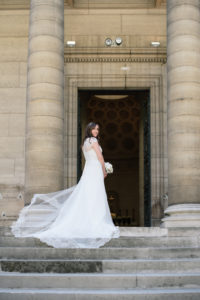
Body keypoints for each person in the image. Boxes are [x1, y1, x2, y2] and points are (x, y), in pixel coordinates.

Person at [11, 122, 120, 248]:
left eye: (97, 129)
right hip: (95, 169)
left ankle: (88, 220)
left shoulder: (85, 143)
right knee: (95, 195)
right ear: (89, 130)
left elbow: (90, 157)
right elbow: (100, 156)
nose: (96, 131)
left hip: (89, 169)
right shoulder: (93, 140)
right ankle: (95, 221)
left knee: (89, 195)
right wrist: (104, 169)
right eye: (94, 129)